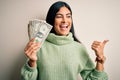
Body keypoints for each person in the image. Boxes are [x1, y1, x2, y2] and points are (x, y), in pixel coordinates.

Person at [21, 1, 108, 80]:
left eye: (68, 16)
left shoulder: (79, 48)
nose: (65, 20)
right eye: (59, 16)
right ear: (52, 20)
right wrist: (32, 62)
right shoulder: (38, 46)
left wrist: (100, 60)